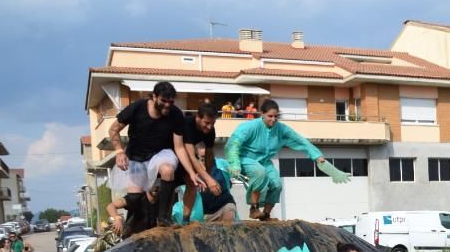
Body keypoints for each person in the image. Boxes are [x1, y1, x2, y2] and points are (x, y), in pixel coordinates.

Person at [225, 99, 351, 221]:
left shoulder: (281, 129)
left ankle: (266, 215)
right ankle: (254, 209)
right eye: (270, 116)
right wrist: (234, 163)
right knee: (260, 172)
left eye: (276, 116)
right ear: (262, 114)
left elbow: (299, 140)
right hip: (246, 158)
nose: (273, 120)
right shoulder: (250, 127)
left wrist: (316, 155)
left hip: (265, 161)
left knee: (277, 185)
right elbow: (234, 144)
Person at [107, 81, 204, 226]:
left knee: (168, 170)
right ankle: (130, 226)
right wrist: (120, 151)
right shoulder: (138, 107)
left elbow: (179, 148)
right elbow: (113, 129)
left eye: (170, 102)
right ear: (154, 97)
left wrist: (191, 172)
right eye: (163, 101)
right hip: (136, 157)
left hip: (160, 154)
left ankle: (163, 217)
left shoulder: (176, 114)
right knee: (134, 199)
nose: (167, 105)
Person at [178, 103, 223, 222]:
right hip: (172, 152)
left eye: (213, 123)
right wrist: (208, 179)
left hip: (187, 156)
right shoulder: (187, 124)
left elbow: (209, 154)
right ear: (198, 117)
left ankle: (185, 220)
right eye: (207, 123)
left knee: (192, 182)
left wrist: (208, 175)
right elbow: (191, 156)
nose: (209, 127)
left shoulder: (210, 131)